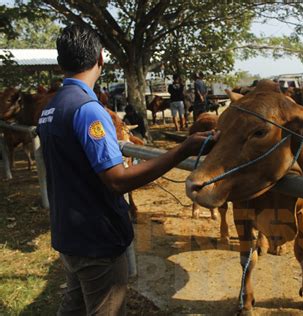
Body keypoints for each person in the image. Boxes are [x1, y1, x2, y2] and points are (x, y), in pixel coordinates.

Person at [37, 24, 218, 315]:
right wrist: (182, 150)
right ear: (101, 59)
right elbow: (117, 180)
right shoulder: (88, 109)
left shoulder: (50, 108)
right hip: (97, 240)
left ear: (60, 64)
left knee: (74, 307)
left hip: (68, 235)